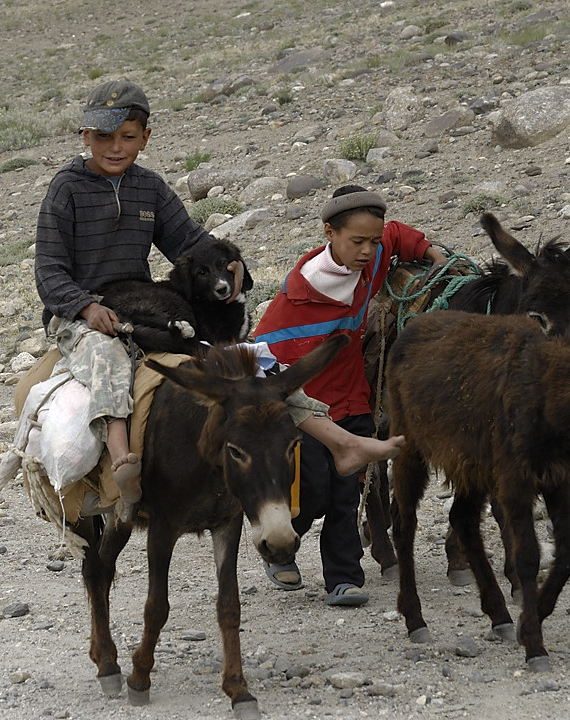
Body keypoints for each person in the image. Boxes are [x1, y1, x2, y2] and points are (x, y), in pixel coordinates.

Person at [34, 80, 401, 521]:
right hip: (79, 312)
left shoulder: (148, 188)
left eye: (128, 137)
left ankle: (342, 441)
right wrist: (87, 308)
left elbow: (191, 243)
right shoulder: (66, 189)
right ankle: (121, 457)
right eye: (104, 137)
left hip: (141, 303)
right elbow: (49, 272)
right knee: (107, 356)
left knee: (248, 366)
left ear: (145, 138)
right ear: (85, 138)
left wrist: (233, 265)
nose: (116, 147)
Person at [252, 185, 444, 606]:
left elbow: (393, 233)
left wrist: (429, 252)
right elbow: (261, 362)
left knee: (347, 495)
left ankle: (344, 578)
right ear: (329, 233)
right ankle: (279, 546)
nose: (367, 250)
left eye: (371, 242)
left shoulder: (370, 262)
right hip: (309, 413)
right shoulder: (294, 305)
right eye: (357, 241)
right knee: (314, 491)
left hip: (354, 402)